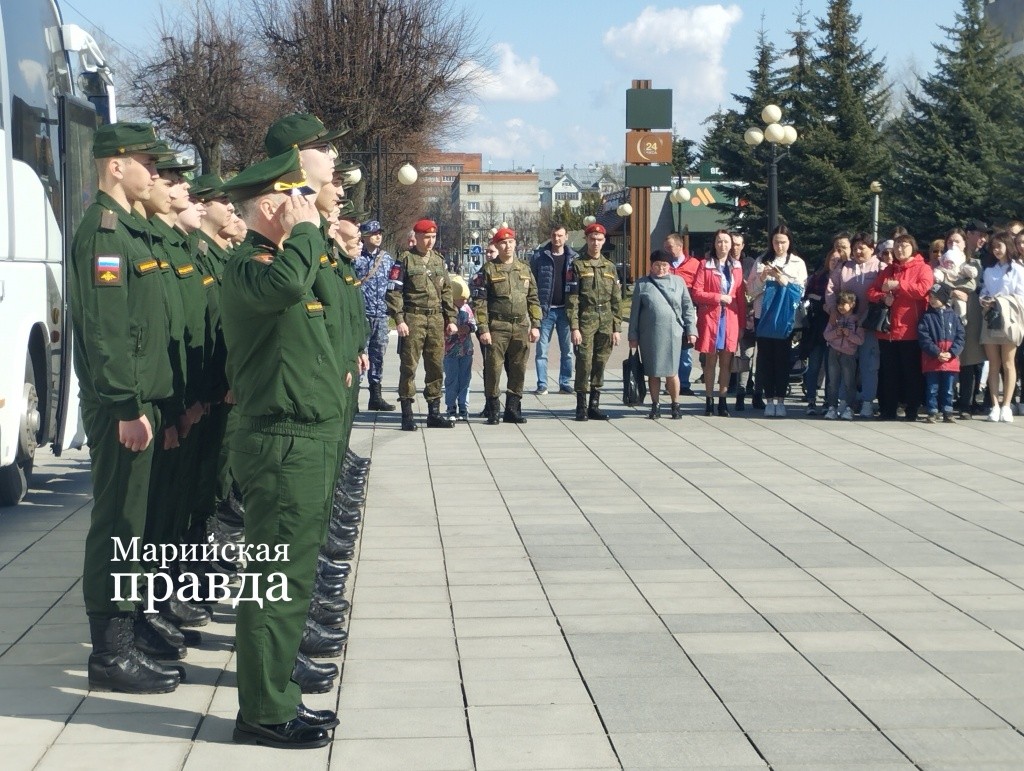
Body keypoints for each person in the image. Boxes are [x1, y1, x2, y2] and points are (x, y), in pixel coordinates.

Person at [218, 148, 341, 749]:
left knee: (291, 580)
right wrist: (308, 232)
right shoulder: (251, 267)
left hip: (302, 438)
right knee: (274, 581)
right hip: (280, 441)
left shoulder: (279, 262)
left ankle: (278, 694)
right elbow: (288, 284)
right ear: (272, 205)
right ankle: (263, 711)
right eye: (298, 196)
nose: (307, 205)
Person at [68, 122, 184, 695]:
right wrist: (123, 405)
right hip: (123, 405)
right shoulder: (105, 233)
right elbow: (106, 328)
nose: (155, 173)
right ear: (116, 165)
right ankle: (110, 652)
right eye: (148, 163)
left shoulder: (127, 231)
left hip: (139, 401)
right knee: (118, 523)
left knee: (133, 523)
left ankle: (129, 631)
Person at [386, 219, 459, 431]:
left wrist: (451, 319)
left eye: (433, 237)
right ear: (416, 237)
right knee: (409, 366)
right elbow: (394, 292)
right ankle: (407, 414)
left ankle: (434, 413)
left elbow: (446, 291)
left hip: (435, 319)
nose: (430, 241)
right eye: (426, 237)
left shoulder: (438, 260)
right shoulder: (405, 260)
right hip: (413, 318)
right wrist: (399, 319)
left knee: (435, 366)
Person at [472, 227, 542, 424]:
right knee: (493, 369)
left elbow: (533, 299)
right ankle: (493, 409)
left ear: (515, 244)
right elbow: (480, 302)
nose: (507, 246)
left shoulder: (525, 268)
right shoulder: (488, 269)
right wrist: (483, 328)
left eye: (510, 242)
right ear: (497, 245)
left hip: (520, 326)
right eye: (503, 243)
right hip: (497, 326)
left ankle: (512, 408)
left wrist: (536, 324)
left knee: (518, 368)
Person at [867, 233, 933, 421]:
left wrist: (899, 285)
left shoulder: (923, 268)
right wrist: (882, 297)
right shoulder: (888, 270)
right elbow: (871, 291)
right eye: (897, 246)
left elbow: (923, 290)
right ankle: (888, 409)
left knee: (911, 372)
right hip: (887, 330)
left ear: (913, 247)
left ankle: (912, 409)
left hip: (910, 329)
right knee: (889, 372)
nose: (899, 249)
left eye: (904, 245)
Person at [627, 251, 697, 419]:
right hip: (649, 335)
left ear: (670, 266)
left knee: (672, 371)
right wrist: (633, 335)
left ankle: (675, 404)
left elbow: (687, 307)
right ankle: (655, 405)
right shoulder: (642, 284)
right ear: (651, 266)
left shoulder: (678, 282)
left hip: (673, 334)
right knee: (653, 371)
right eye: (657, 265)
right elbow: (634, 313)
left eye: (664, 265)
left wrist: (691, 330)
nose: (661, 268)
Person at [747, 224, 807, 417]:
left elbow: (801, 292)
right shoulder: (761, 261)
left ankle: (780, 399)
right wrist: (763, 277)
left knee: (782, 359)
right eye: (776, 242)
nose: (779, 246)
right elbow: (751, 291)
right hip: (763, 316)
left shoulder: (797, 263)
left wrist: (783, 279)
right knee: (765, 360)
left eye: (783, 242)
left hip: (785, 318)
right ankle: (769, 399)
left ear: (789, 242)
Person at [566, 223, 622, 421]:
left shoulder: (610, 267)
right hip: (586, 319)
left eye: (599, 240)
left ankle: (594, 405)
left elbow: (616, 299)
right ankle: (581, 405)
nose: (596, 243)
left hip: (605, 320)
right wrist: (574, 327)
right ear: (587, 240)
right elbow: (572, 299)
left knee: (600, 361)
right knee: (584, 362)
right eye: (592, 239)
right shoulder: (577, 265)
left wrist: (617, 328)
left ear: (604, 241)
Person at [825, 232, 881, 417]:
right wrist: (833, 310)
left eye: (862, 248)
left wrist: (865, 317)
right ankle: (844, 401)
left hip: (868, 325)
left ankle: (867, 402)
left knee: (869, 365)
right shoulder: (843, 267)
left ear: (872, 249)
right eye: (855, 248)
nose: (857, 252)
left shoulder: (879, 267)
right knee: (845, 364)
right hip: (845, 324)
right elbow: (831, 289)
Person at [692, 229, 746, 417]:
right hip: (711, 317)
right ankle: (709, 400)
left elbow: (740, 297)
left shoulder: (736, 266)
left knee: (726, 361)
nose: (723, 245)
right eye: (719, 241)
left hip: (730, 317)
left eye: (726, 242)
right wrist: (718, 297)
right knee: (710, 361)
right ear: (714, 244)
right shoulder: (705, 265)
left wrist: (741, 324)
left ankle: (723, 400)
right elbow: (696, 292)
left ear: (731, 245)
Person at [979, 230, 1024, 422]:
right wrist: (984, 299)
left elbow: (1021, 296)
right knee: (993, 363)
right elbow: (984, 289)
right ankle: (994, 405)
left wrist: (1001, 300)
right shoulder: (990, 269)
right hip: (991, 317)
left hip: (1010, 319)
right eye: (993, 247)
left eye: (999, 246)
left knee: (1008, 362)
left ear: (1008, 246)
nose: (996, 250)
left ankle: (1006, 405)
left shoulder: (1018, 269)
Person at [803, 235, 848, 414]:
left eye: (839, 260)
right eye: (832, 260)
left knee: (832, 368)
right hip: (817, 327)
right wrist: (820, 300)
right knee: (814, 365)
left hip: (836, 327)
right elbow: (806, 297)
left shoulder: (844, 278)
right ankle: (811, 399)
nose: (835, 263)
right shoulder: (818, 278)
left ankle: (829, 401)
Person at [530, 224, 577, 394]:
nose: (557, 238)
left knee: (567, 351)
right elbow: (532, 284)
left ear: (566, 237)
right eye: (554, 235)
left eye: (560, 235)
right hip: (545, 311)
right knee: (542, 350)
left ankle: (564, 383)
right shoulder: (539, 256)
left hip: (566, 311)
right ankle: (542, 384)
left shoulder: (574, 258)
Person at [355, 220, 396, 411]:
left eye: (380, 233)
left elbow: (394, 285)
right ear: (364, 236)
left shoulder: (386, 259)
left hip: (381, 315)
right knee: (359, 354)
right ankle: (353, 398)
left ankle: (376, 396)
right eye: (373, 233)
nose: (378, 236)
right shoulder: (356, 258)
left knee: (378, 355)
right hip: (362, 314)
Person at [918, 283, 965, 423]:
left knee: (948, 388)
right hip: (932, 358)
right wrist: (937, 352)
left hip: (950, 360)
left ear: (944, 298)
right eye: (931, 297)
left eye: (936, 297)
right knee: (932, 388)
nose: (932, 300)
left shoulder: (954, 316)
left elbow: (960, 336)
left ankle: (947, 411)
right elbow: (924, 338)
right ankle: (932, 411)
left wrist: (952, 352)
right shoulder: (927, 317)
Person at [663, 232, 700, 396]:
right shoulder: (663, 264)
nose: (667, 250)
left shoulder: (694, 264)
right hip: (667, 312)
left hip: (687, 311)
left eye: (670, 247)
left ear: (680, 246)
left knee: (686, 349)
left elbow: (699, 287)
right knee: (668, 349)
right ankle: (670, 383)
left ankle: (684, 383)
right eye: (665, 247)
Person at [822, 291, 864, 421]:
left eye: (843, 304)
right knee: (832, 382)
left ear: (852, 304)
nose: (840, 307)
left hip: (848, 354)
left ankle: (849, 408)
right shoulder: (835, 318)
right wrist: (836, 333)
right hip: (833, 351)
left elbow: (860, 340)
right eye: (839, 304)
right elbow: (826, 335)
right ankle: (832, 407)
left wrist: (848, 334)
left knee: (849, 382)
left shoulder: (857, 321)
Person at [731, 232, 758, 410]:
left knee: (755, 357)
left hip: (754, 314)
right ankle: (739, 391)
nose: (735, 247)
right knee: (744, 355)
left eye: (738, 244)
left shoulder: (750, 263)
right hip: (736, 314)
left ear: (743, 246)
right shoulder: (724, 264)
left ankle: (755, 392)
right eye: (733, 244)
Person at [444, 275, 476, 420]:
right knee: (452, 380)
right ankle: (451, 406)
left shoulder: (466, 308)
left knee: (465, 379)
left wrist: (467, 328)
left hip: (466, 350)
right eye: (462, 299)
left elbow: (473, 325)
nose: (465, 301)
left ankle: (463, 406)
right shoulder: (446, 310)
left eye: (466, 298)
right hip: (449, 351)